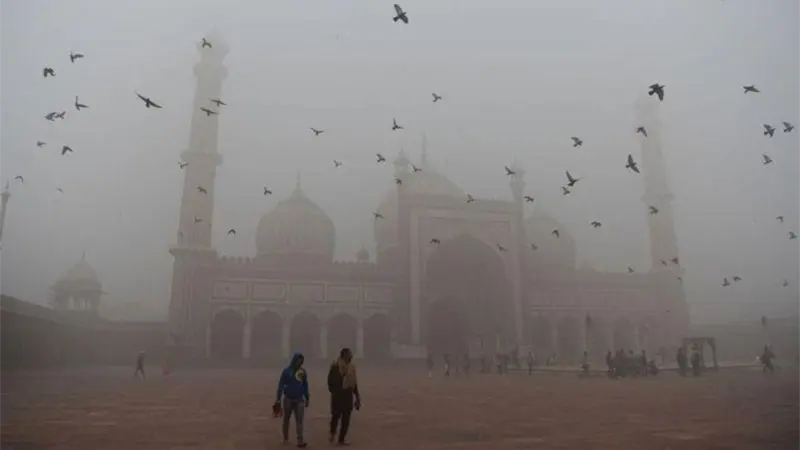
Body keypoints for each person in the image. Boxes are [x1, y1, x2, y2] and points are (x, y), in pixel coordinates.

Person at [275, 353, 309, 447]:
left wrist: (307, 397)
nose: (299, 363)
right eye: (298, 360)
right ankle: (285, 438)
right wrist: (278, 399)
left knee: (300, 420)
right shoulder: (286, 372)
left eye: (301, 361)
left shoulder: (302, 372)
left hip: (299, 399)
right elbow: (281, 385)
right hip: (288, 399)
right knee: (286, 419)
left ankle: (300, 440)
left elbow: (305, 385)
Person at [328, 348, 361, 445]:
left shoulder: (352, 367)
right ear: (344, 356)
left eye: (351, 354)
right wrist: (335, 392)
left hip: (348, 395)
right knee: (335, 416)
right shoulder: (335, 366)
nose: (351, 356)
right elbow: (330, 382)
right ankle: (332, 433)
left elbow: (354, 383)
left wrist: (357, 396)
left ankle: (341, 439)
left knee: (346, 418)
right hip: (337, 396)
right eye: (349, 354)